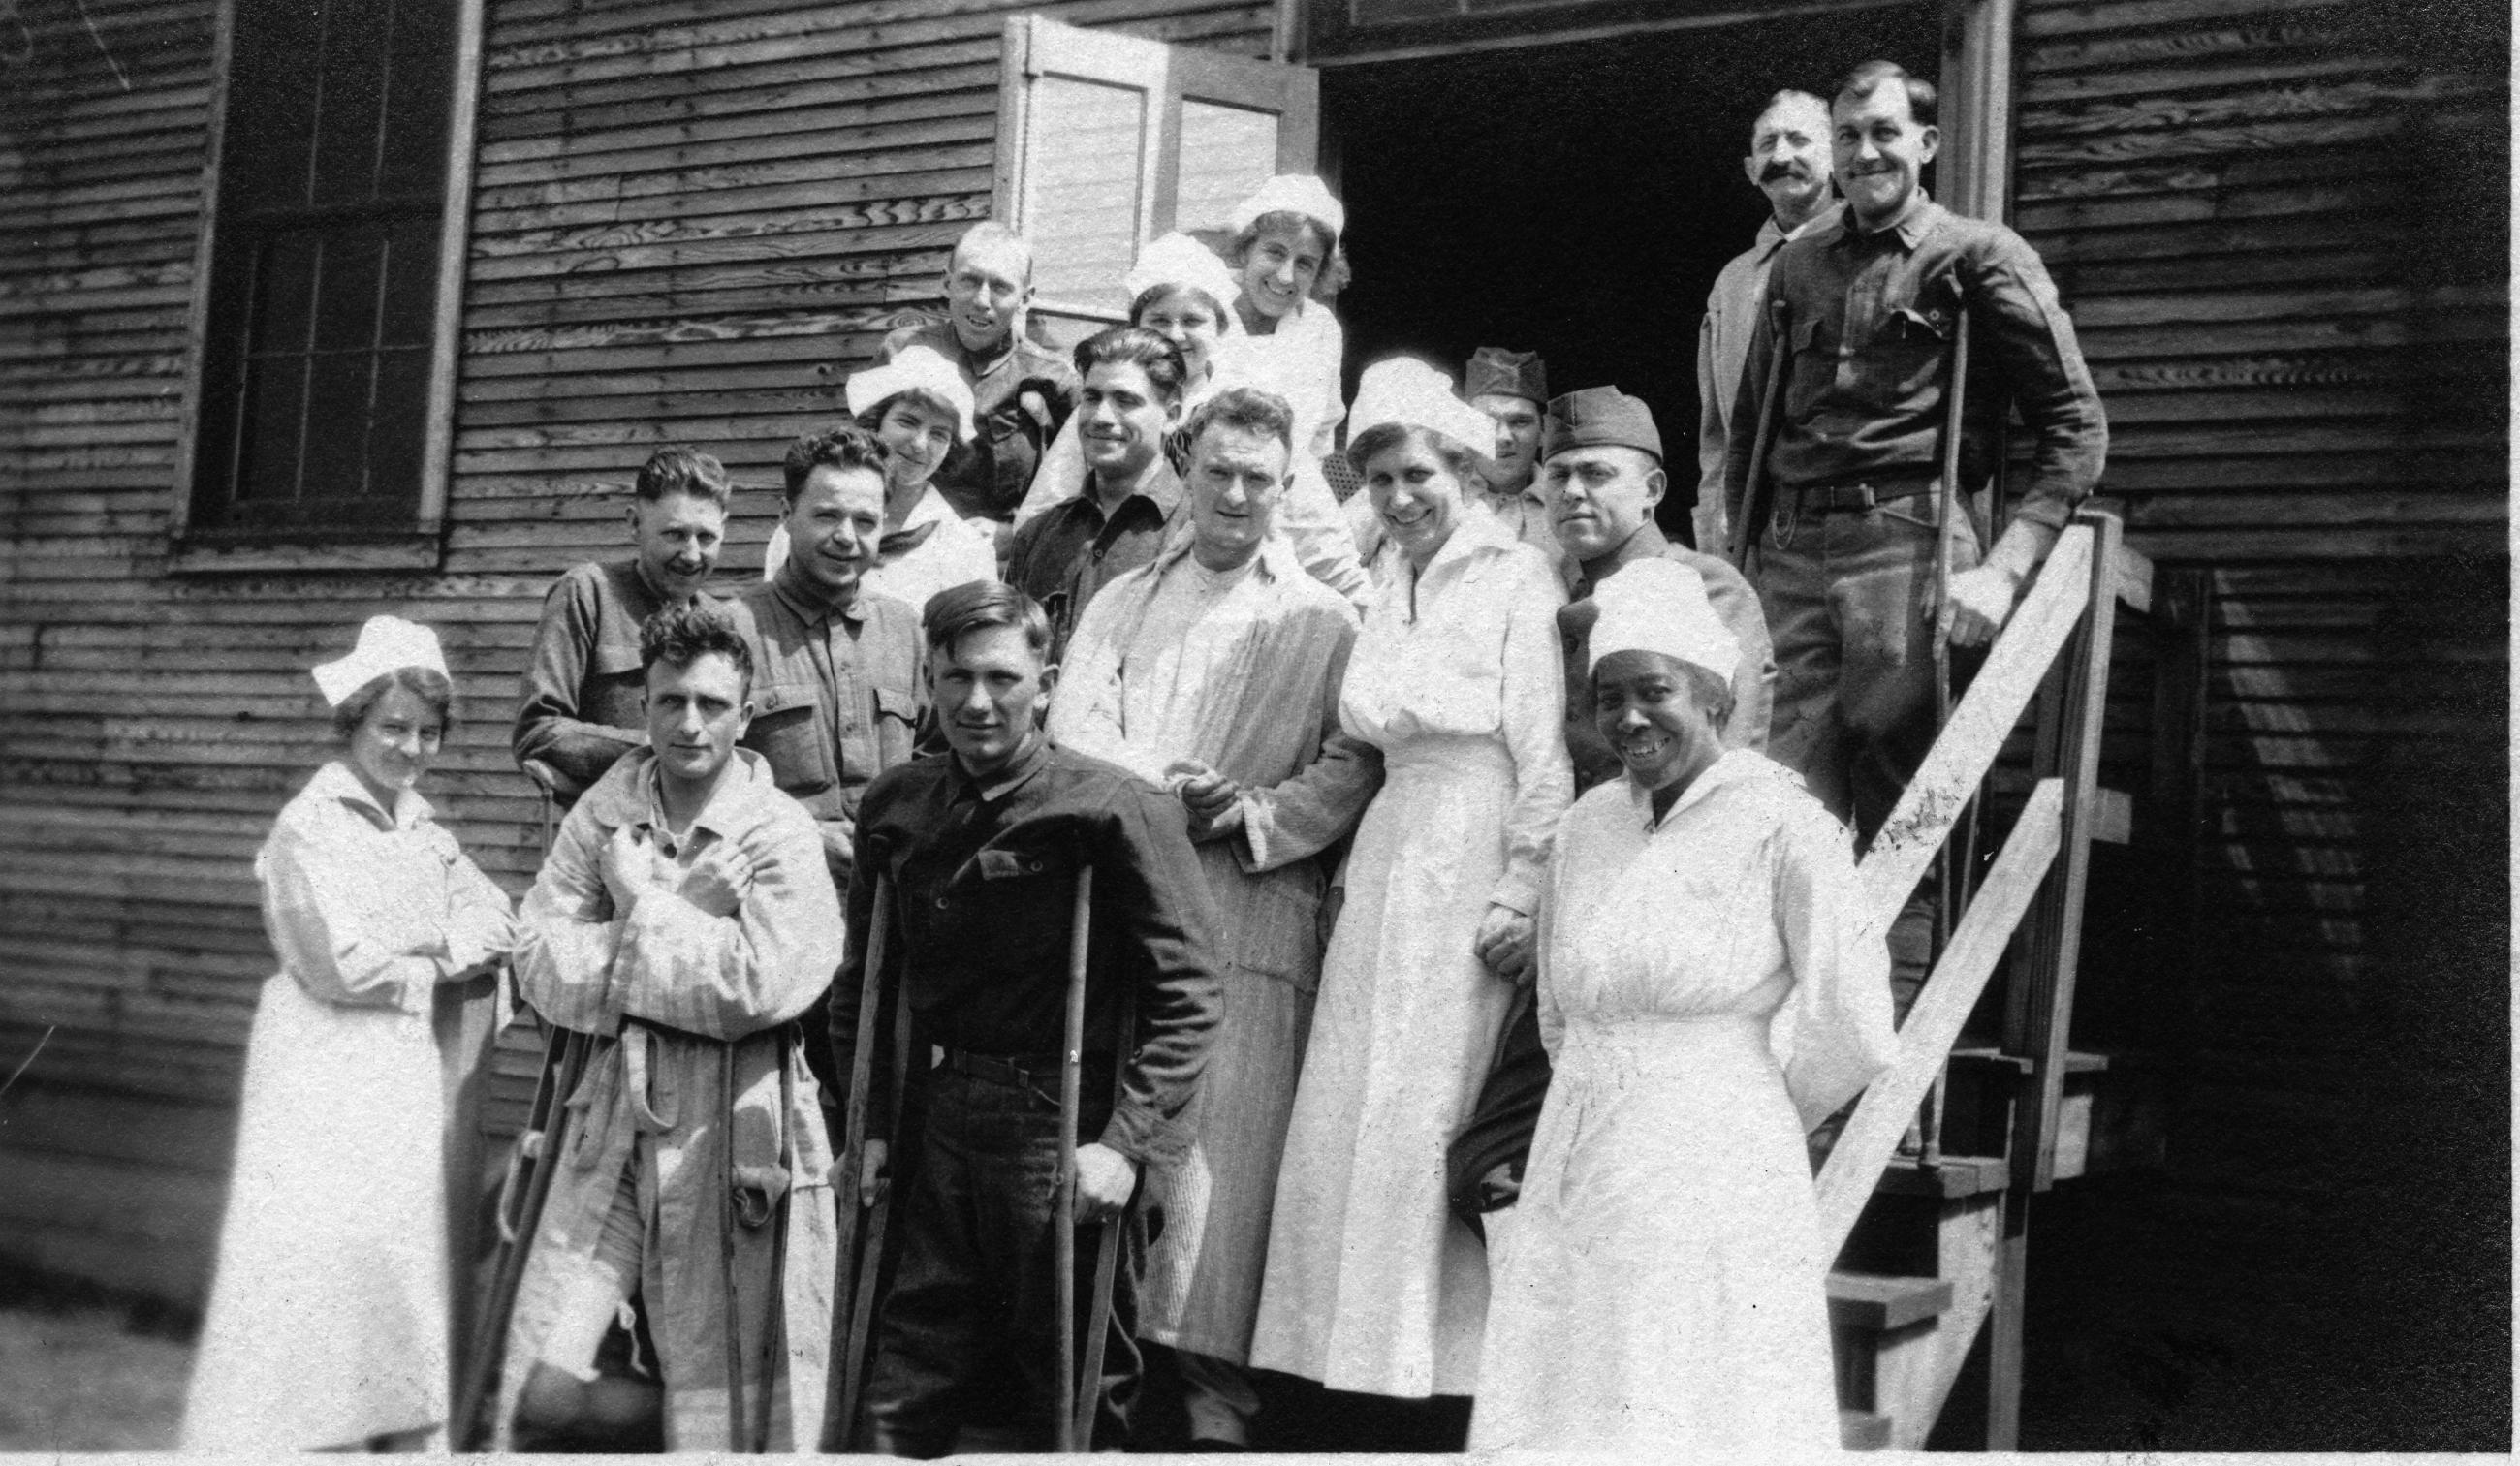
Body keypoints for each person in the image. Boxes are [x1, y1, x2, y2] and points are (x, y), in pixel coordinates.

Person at [1470, 557, 1896, 1453]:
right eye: (1610, 697)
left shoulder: (1785, 824)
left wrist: (1747, 1103)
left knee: (1688, 1393)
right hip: (1580, 1147)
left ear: (1713, 695)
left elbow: (1853, 1024)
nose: (1630, 718)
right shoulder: (1586, 825)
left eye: (1654, 691)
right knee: (1573, 1388)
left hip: (1715, 1158)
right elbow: (1561, 1006)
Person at [1725, 59, 2106, 1011]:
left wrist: (2006, 568)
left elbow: (2074, 429)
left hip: (1908, 546)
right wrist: (1740, 565)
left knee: (1902, 808)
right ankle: (1783, 1057)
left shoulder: (1975, 257)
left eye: (1885, 133)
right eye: (1849, 136)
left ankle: (1877, 1069)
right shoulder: (1798, 264)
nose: (1865, 154)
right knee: (1778, 806)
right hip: (1792, 554)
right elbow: (1751, 431)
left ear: (1927, 144)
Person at [1048, 389, 1382, 1450]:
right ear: (1185, 470)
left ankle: (1212, 1407)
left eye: (1259, 479)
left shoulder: (1325, 621)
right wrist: (1161, 789)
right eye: (1219, 472)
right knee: (1115, 1127)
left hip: (1250, 900)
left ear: (1287, 489)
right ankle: (1093, 1386)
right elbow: (1072, 727)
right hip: (1127, 895)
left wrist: (1250, 813)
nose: (1235, 496)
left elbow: (1354, 757)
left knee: (1224, 1163)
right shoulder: (1124, 601)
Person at [835, 581, 1224, 1454]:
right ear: (930, 682)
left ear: (1044, 686)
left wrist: (1126, 1144)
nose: (977, 702)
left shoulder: (1114, 806)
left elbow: (1192, 989)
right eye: (956, 677)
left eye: (1002, 679)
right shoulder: (898, 805)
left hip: (1062, 1125)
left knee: (1070, 1387)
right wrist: (869, 1125)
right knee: (899, 1379)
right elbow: (865, 983)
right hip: (937, 1120)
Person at [1249, 358, 1572, 1406]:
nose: (1398, 498)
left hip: (1472, 843)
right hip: (1389, 847)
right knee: (1357, 1088)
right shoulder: (1386, 581)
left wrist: (1521, 889)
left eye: (1418, 475)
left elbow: (1543, 757)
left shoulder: (1517, 577)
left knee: (1433, 1090)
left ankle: (1442, 1367)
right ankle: (1343, 1355)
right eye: (1381, 478)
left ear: (1464, 472)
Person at [493, 604, 844, 1451]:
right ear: (643, 707)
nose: (690, 723)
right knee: (538, 1382)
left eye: (712, 704)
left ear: (745, 715)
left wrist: (642, 904)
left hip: (736, 1124)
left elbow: (759, 985)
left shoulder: (779, 832)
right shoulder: (605, 813)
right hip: (614, 1114)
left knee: (729, 1409)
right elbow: (538, 958)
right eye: (670, 701)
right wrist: (689, 909)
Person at [184, 616, 515, 1452]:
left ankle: (376, 1429)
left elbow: (494, 915)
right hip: (320, 1059)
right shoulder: (311, 825)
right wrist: (441, 949)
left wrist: (431, 944)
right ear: (355, 721)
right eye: (393, 727)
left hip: (398, 1061)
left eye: (428, 732)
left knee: (387, 1254)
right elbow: (338, 963)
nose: (411, 748)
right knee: (312, 1250)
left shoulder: (425, 830)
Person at [1012, 233, 1371, 612]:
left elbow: (1312, 525)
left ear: (1219, 329)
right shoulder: (1107, 406)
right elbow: (1047, 506)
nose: (1175, 334)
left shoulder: (1248, 411)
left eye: (1192, 320)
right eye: (1159, 320)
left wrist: (1358, 600)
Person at [727, 424, 929, 890]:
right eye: (826, 516)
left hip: (890, 897)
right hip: (770, 891)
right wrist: (799, 836)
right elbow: (696, 777)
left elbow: (937, 760)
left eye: (865, 521)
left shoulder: (906, 630)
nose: (845, 537)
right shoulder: (730, 631)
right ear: (786, 515)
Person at [1543, 386, 1775, 791]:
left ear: (1652, 491)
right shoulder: (1551, 584)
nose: (1572, 491)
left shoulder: (1707, 585)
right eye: (1558, 475)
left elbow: (1724, 751)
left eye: (1596, 473)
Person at [515, 446, 731, 804]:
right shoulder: (588, 593)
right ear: (634, 524)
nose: (692, 555)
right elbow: (536, 732)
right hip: (602, 821)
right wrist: (656, 749)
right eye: (675, 535)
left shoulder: (721, 622)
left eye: (706, 537)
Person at [1695, 90, 1843, 557]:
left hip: (1842, 517)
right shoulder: (1733, 281)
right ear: (1749, 169)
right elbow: (1718, 432)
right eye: (1767, 144)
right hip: (1754, 525)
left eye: (1799, 140)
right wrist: (1717, 528)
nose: (1781, 157)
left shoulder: (1866, 252)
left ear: (1836, 155)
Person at [760, 345, 998, 615]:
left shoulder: (964, 546)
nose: (920, 444)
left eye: (939, 434)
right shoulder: (800, 527)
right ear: (876, 424)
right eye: (907, 422)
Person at [1001, 326, 1192, 662]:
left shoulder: (1194, 535)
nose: (1101, 417)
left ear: (1172, 416)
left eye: (1125, 400)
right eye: (1091, 398)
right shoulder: (1036, 535)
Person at [873, 221, 1079, 523]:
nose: (982, 301)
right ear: (947, 283)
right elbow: (863, 453)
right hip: (900, 529)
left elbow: (1080, 479)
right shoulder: (902, 351)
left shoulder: (1052, 378)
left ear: (1025, 298)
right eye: (969, 281)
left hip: (1000, 546)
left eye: (1000, 287)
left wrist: (1018, 530)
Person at [1344, 346, 1556, 570]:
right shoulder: (1397, 495)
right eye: (1488, 420)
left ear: (1544, 431)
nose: (1503, 437)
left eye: (1520, 422)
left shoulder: (1563, 502)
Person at [1221, 174, 1348, 465]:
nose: (1286, 276)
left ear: (1320, 272)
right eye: (1275, 253)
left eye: (1305, 263)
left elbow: (1321, 434)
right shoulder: (1204, 309)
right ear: (1246, 249)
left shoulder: (1320, 328)